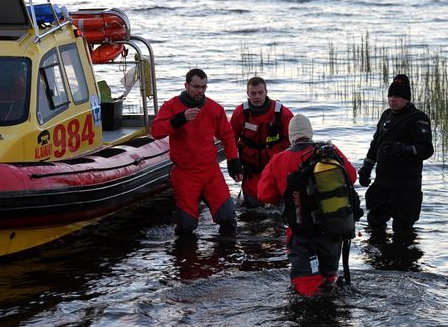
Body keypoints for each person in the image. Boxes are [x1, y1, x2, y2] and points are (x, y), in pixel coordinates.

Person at [257, 114, 357, 296]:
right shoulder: (329, 151)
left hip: (302, 234)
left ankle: (312, 315)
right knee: (329, 282)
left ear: (290, 136)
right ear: (310, 133)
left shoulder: (278, 160)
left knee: (307, 287)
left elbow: (264, 194)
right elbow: (351, 176)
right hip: (332, 232)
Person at [151, 68, 243, 237]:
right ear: (186, 85)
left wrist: (233, 161)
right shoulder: (172, 106)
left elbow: (227, 136)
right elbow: (156, 131)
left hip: (210, 171)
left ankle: (226, 258)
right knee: (186, 226)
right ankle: (185, 261)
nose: (200, 91)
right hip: (185, 172)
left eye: (203, 87)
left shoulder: (214, 108)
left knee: (228, 217)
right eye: (196, 87)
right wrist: (180, 119)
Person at [357, 74, 434, 236]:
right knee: (375, 225)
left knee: (403, 231)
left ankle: (404, 259)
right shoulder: (386, 115)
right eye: (390, 96)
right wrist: (366, 168)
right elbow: (375, 144)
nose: (392, 99)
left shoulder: (418, 118)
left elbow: (426, 150)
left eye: (397, 96)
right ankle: (378, 259)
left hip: (406, 186)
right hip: (382, 183)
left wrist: (404, 149)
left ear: (406, 98)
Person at [229, 76, 294, 208]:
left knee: (278, 208)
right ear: (248, 94)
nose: (257, 96)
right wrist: (233, 163)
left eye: (260, 92)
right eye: (253, 93)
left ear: (266, 92)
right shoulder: (240, 113)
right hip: (251, 171)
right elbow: (230, 139)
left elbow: (295, 140)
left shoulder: (282, 113)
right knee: (253, 209)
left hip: (275, 170)